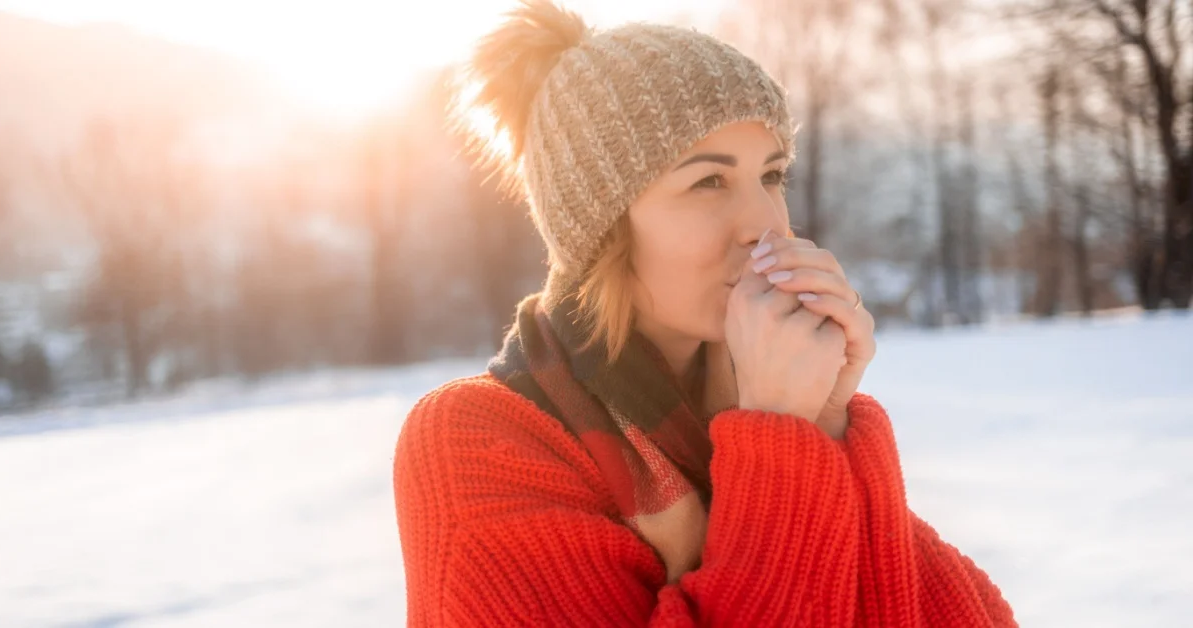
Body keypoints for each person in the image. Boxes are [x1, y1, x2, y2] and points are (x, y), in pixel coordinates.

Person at [393, 1, 1017, 625]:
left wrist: (826, 430)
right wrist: (779, 445)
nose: (766, 225)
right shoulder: (474, 440)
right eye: (707, 183)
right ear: (603, 229)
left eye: (771, 176)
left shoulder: (746, 403)